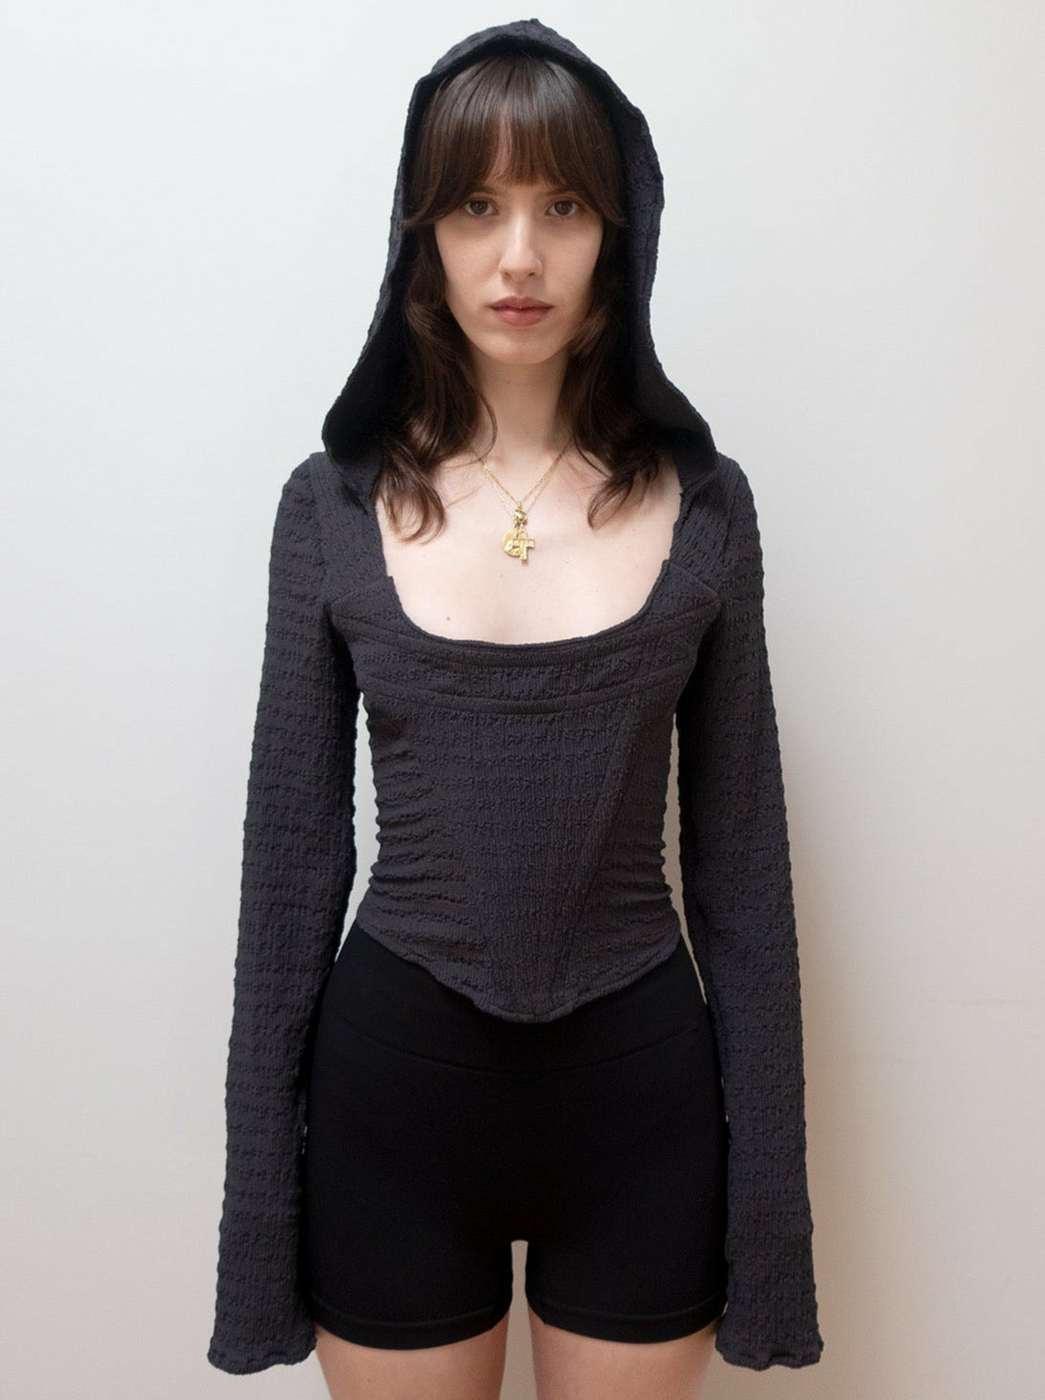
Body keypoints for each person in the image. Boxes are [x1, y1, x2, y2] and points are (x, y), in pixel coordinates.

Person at [207, 17, 824, 1399]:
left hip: (642, 1103)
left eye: (563, 207)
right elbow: (289, 876)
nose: (521, 256)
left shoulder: (706, 508)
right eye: (477, 207)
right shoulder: (331, 506)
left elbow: (744, 877)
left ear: (620, 231)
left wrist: (771, 1226)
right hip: (392, 1101)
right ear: (422, 232)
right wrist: (257, 1228)